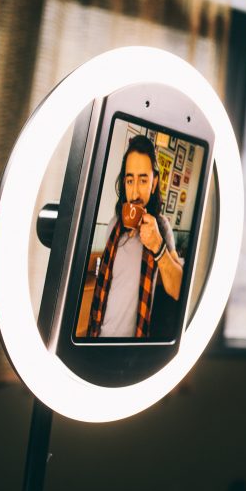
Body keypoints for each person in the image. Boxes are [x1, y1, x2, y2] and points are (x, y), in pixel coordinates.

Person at [87, 134, 184, 338]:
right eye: (130, 180)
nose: (135, 192)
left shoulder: (161, 227)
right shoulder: (114, 224)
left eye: (143, 180)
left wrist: (158, 247)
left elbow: (178, 289)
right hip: (100, 334)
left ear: (154, 182)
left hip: (132, 344)